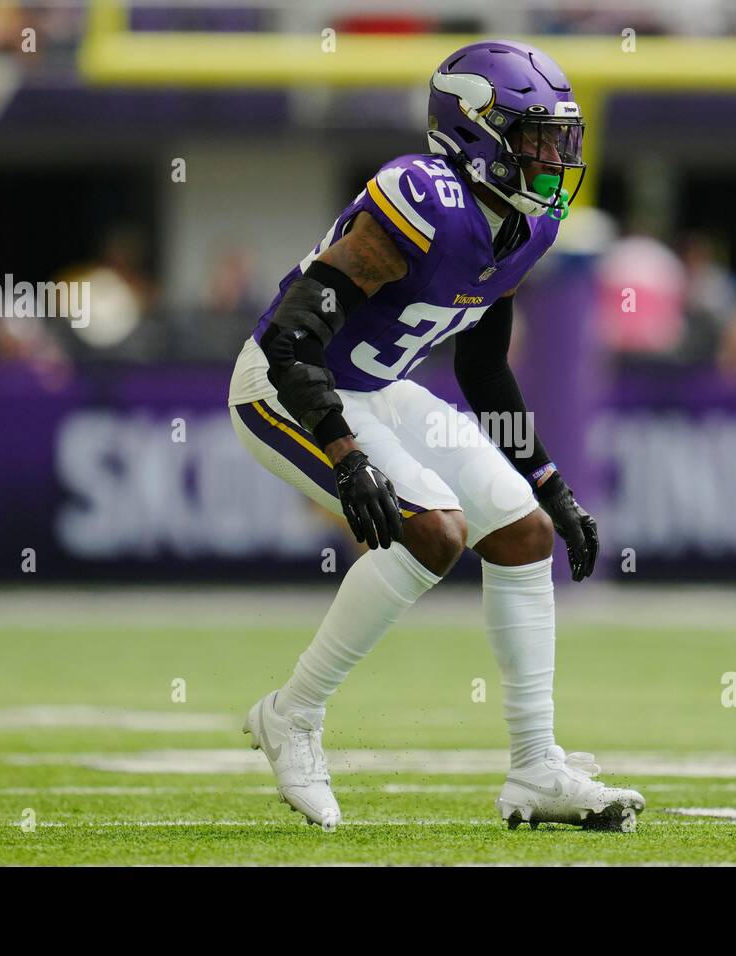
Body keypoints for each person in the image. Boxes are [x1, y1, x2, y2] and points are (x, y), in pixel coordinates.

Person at [227, 40, 644, 832]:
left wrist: (551, 486)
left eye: (561, 139)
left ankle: (535, 768)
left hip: (380, 388)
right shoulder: (419, 199)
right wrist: (345, 455)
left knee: (522, 534)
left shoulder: (526, 230)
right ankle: (294, 714)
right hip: (283, 384)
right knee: (434, 533)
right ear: (475, 131)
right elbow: (287, 338)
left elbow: (485, 372)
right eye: (534, 138)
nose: (554, 158)